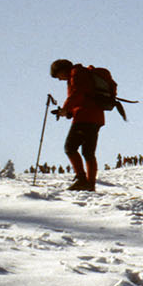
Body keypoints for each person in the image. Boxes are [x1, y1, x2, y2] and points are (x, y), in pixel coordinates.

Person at [50, 58, 109, 191]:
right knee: (88, 152)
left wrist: (65, 108)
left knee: (70, 147)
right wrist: (68, 112)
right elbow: (83, 96)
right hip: (96, 117)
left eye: (58, 76)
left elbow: (78, 94)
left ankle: (82, 179)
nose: (59, 80)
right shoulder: (80, 73)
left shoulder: (76, 74)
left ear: (62, 70)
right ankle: (90, 184)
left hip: (85, 117)